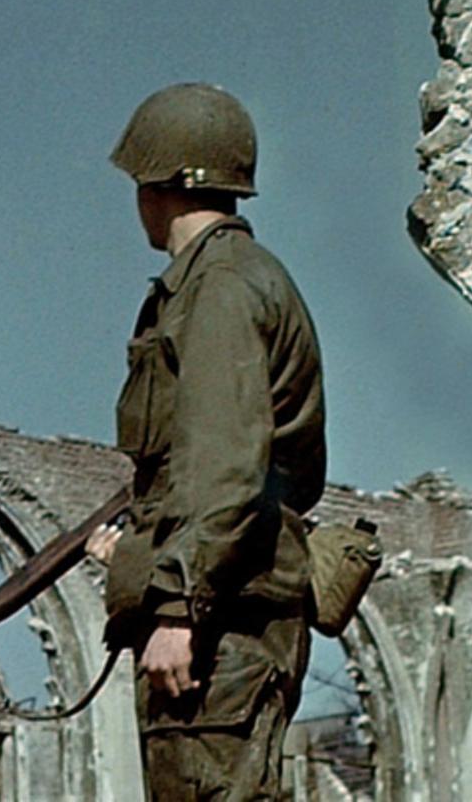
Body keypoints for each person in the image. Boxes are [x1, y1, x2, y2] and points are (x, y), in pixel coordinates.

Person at [88, 82, 326, 801]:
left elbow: (225, 466)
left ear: (158, 183)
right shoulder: (223, 280)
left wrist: (173, 609)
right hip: (223, 613)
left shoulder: (220, 287)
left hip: (219, 625)